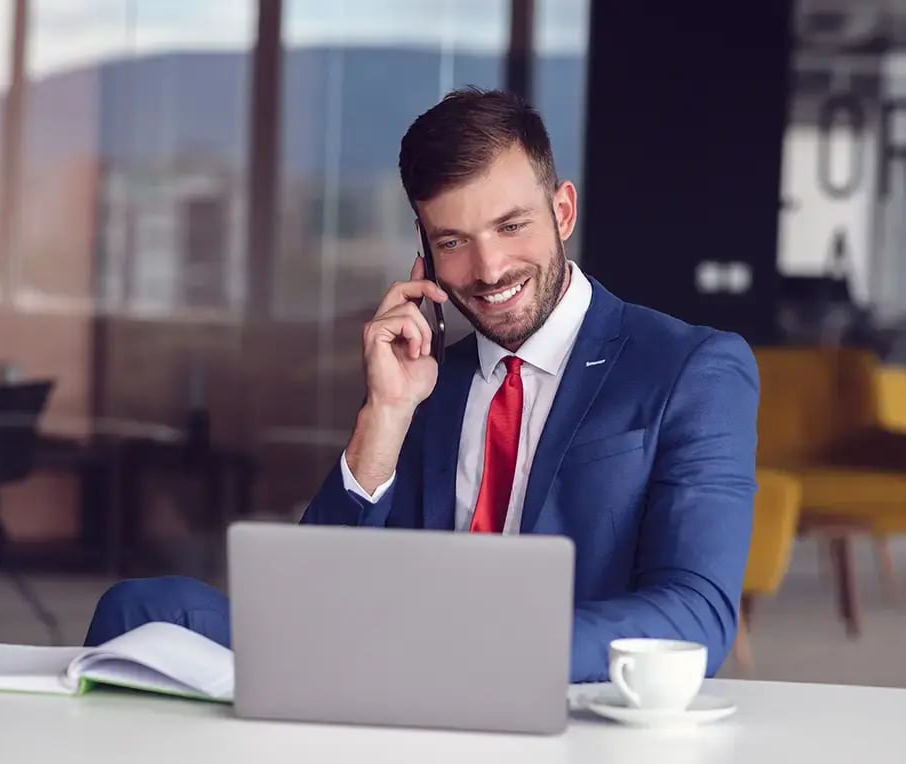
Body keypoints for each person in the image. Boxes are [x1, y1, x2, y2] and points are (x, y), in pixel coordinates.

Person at [86, 88, 759, 683]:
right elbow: (311, 593)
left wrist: (480, 650)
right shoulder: (427, 381)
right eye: (455, 240)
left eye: (510, 225)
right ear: (425, 250)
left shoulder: (689, 368)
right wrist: (386, 412)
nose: (490, 267)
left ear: (563, 210)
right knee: (139, 611)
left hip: (542, 677)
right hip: (381, 660)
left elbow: (694, 612)